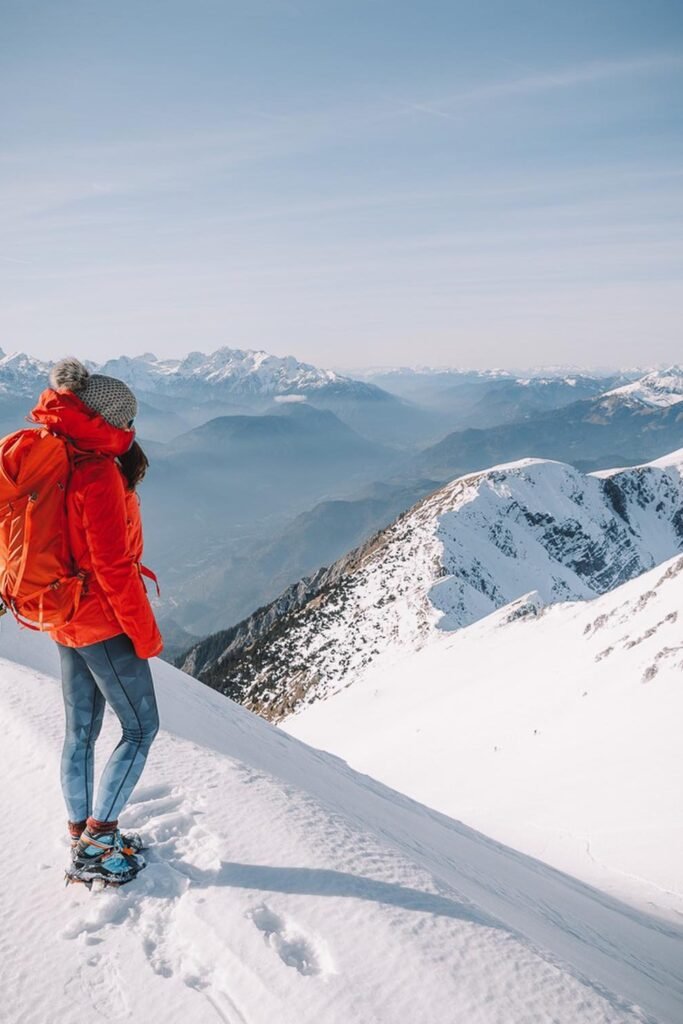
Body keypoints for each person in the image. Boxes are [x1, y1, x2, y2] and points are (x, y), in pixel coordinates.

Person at [30, 357, 163, 886]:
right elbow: (112, 568)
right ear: (108, 422)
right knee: (140, 727)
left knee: (80, 731)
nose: (131, 435)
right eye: (126, 424)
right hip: (101, 622)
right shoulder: (96, 472)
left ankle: (81, 833)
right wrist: (146, 635)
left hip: (62, 613)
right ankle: (98, 842)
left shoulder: (53, 450)